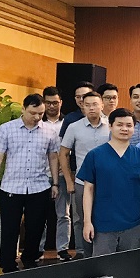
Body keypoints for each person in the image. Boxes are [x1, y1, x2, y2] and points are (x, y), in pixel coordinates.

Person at [0, 94, 59, 273]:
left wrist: (55, 183)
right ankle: (8, 265)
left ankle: (30, 259)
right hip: (11, 186)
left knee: (36, 227)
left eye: (41, 113)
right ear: (23, 109)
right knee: (10, 228)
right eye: (33, 113)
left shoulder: (50, 131)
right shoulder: (6, 129)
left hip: (39, 186)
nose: (37, 117)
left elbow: (53, 157)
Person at [79, 108, 140, 256]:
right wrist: (87, 221)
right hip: (102, 224)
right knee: (103, 267)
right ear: (110, 126)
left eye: (129, 125)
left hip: (134, 224)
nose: (124, 129)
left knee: (130, 267)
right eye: (120, 125)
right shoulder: (95, 155)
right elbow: (88, 189)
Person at [59, 91, 109, 259]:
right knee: (81, 220)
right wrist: (69, 181)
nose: (91, 108)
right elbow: (63, 153)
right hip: (82, 182)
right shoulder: (74, 127)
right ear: (82, 107)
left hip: (107, 182)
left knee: (104, 218)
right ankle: (84, 255)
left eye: (95, 104)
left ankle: (102, 254)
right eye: (87, 105)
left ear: (102, 105)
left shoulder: (111, 125)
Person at [39, 87, 71, 260]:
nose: (51, 106)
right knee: (39, 214)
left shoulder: (68, 123)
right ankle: (38, 248)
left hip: (62, 174)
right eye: (48, 102)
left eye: (55, 102)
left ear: (61, 103)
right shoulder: (38, 122)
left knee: (63, 214)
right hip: (40, 174)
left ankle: (62, 249)